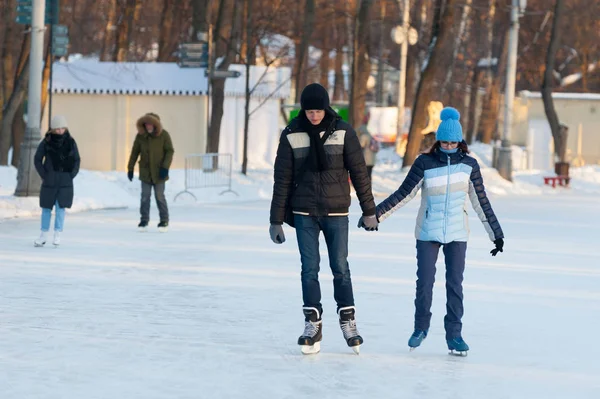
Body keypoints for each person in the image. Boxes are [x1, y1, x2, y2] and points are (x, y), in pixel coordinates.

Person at [364, 107, 504, 356]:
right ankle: (420, 328)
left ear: (460, 142)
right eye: (444, 141)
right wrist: (375, 215)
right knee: (425, 283)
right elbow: (403, 194)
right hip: (428, 231)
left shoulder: (469, 166)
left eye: (453, 142)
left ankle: (455, 335)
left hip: (457, 233)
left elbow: (481, 201)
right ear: (438, 141)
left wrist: (496, 234)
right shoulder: (425, 163)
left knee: (455, 285)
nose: (449, 146)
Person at [269, 83, 378, 355]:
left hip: (336, 211)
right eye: (309, 111)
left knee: (340, 267)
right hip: (304, 211)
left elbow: (359, 171)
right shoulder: (292, 133)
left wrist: (369, 210)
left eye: (318, 110)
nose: (314, 116)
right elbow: (282, 179)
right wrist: (276, 219)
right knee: (309, 269)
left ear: (326, 108)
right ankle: (312, 323)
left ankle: (347, 320)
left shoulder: (343, 131)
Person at [33, 115, 81, 247]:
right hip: (50, 181)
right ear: (52, 129)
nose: (60, 131)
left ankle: (57, 234)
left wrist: (71, 175)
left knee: (61, 209)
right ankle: (43, 235)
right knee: (46, 208)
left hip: (65, 182)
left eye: (62, 128)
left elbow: (77, 160)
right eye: (57, 129)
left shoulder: (71, 142)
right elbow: (37, 159)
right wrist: (44, 174)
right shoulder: (46, 142)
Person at [127, 112, 174, 232]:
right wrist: (130, 168)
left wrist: (165, 167)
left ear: (155, 125)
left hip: (160, 173)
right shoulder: (140, 136)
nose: (148, 126)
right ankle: (144, 220)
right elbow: (134, 152)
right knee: (145, 197)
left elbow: (170, 151)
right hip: (145, 173)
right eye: (146, 124)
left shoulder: (164, 135)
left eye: (150, 124)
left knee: (159, 196)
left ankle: (164, 220)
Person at [358, 111, 379, 180]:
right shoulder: (369, 134)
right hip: (372, 159)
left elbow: (361, 145)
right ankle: (369, 187)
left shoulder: (364, 136)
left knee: (365, 176)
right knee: (369, 175)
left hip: (366, 159)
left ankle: (367, 189)